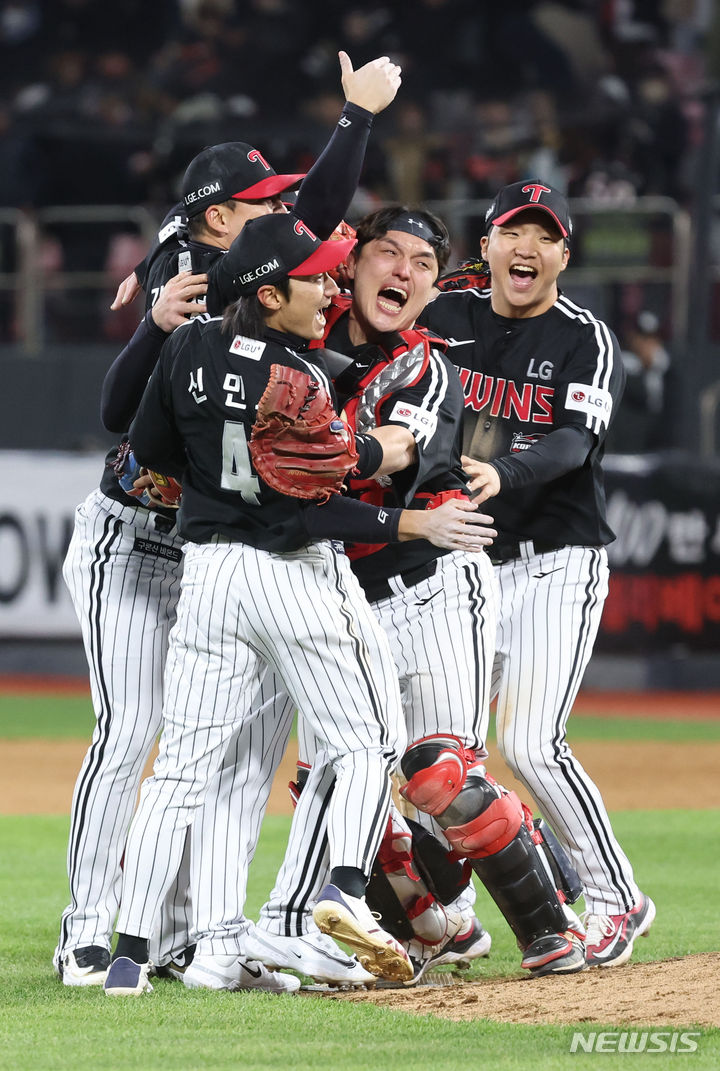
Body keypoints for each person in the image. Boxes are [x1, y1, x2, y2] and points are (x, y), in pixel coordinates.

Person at [55, 51, 405, 989]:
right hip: (138, 541)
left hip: (209, 551)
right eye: (264, 205)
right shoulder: (189, 276)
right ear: (221, 217)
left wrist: (353, 118)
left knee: (224, 757)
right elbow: (117, 416)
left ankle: (188, 939)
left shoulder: (227, 269)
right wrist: (153, 324)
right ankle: (90, 932)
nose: (287, 218)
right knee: (135, 732)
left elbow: (314, 227)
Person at [232, 206, 586, 983]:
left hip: (430, 584)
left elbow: (363, 465)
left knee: (437, 774)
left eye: (421, 263)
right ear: (349, 265)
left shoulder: (426, 367)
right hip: (340, 597)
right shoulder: (302, 339)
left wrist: (302, 446)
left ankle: (550, 926)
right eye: (386, 253)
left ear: (434, 287)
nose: (401, 271)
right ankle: (430, 926)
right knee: (331, 784)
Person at [101, 213, 418, 997]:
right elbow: (335, 476)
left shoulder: (185, 347)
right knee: (370, 742)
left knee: (178, 771)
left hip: (207, 573)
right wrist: (392, 449)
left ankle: (128, 957)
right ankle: (344, 888)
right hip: (286, 570)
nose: (331, 287)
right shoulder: (300, 379)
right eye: (314, 279)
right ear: (269, 292)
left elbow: (151, 454)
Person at [419, 179, 656, 968]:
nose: (527, 246)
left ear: (563, 252)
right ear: (483, 247)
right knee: (442, 751)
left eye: (543, 234)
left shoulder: (582, 335)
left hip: (556, 559)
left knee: (531, 738)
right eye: (512, 232)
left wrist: (503, 472)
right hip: (467, 567)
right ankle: (456, 912)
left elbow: (574, 442)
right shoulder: (443, 316)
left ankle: (619, 898)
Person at [606, 309, 671, 453]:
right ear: (632, 337)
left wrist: (654, 370)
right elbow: (641, 394)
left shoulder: (667, 370)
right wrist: (648, 369)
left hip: (654, 447)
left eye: (652, 339)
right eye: (643, 338)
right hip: (623, 447)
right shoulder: (620, 364)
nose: (647, 345)